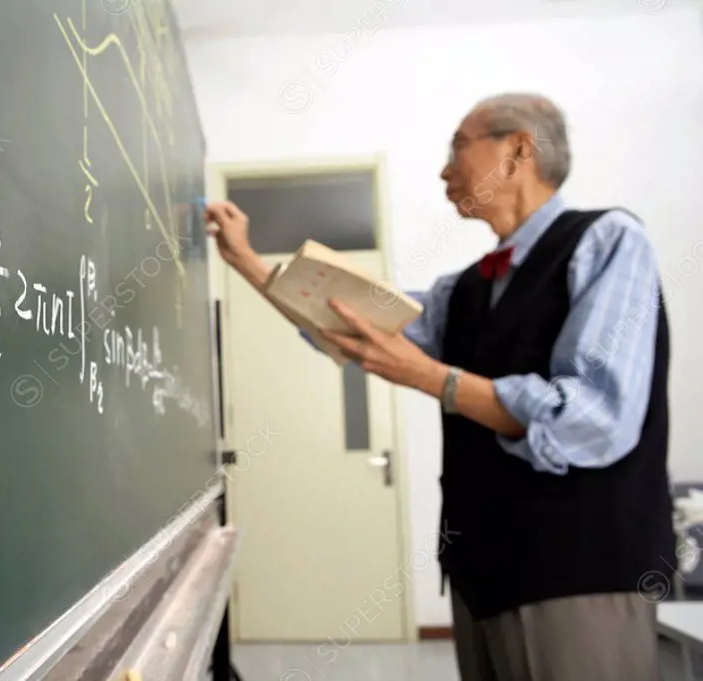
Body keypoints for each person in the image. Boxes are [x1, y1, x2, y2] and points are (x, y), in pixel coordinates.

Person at [204, 92, 674, 681]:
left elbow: (594, 416)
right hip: (481, 576)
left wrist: (429, 377)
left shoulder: (609, 240)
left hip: (577, 573)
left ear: (519, 150)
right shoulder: (465, 290)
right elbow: (347, 318)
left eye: (458, 146)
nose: (444, 170)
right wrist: (244, 259)